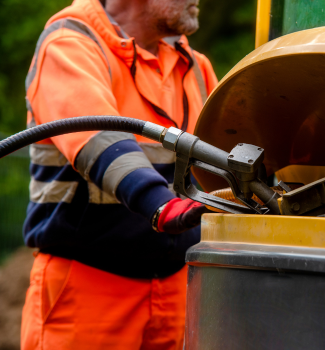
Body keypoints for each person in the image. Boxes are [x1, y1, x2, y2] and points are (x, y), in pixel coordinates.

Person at [21, 0, 218, 348]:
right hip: (87, 287)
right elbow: (98, 138)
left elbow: (227, 157)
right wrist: (161, 204)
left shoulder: (195, 66)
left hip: (180, 284)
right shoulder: (70, 42)